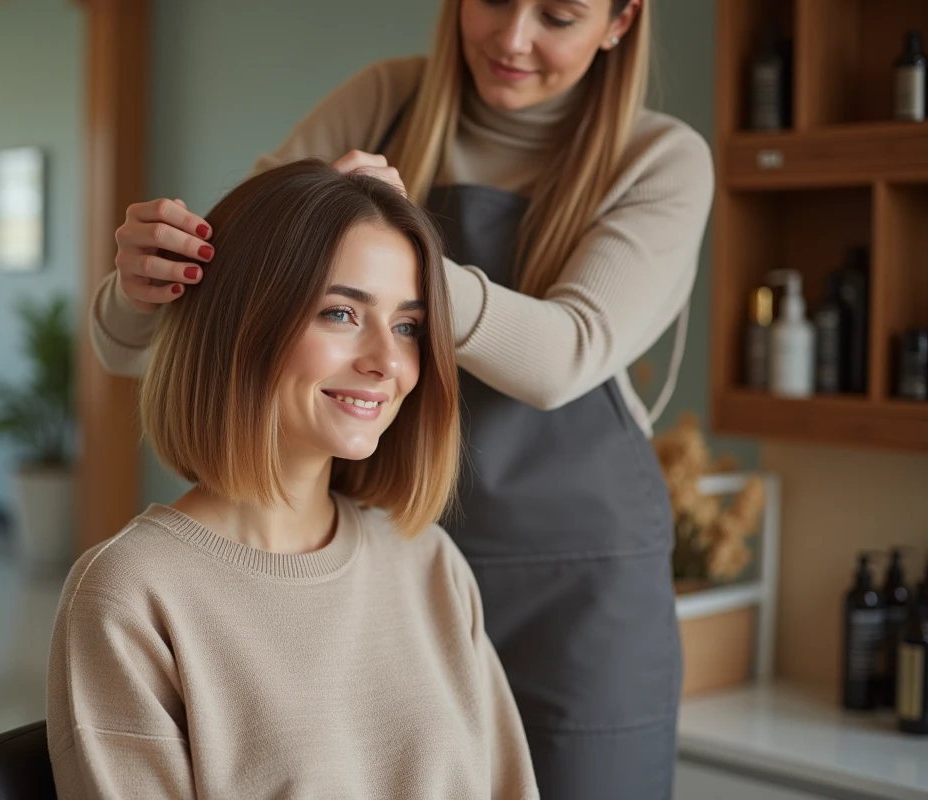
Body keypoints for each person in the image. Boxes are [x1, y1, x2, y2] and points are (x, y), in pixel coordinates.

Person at [92, 1, 714, 796]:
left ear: (622, 20)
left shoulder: (661, 157)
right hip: (384, 549)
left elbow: (567, 355)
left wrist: (395, 252)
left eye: (558, 14)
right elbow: (229, 296)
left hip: (577, 585)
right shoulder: (387, 99)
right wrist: (142, 286)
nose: (512, 38)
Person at [48, 159, 539, 799]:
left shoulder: (429, 565)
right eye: (340, 313)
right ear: (238, 326)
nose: (388, 362)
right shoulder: (131, 596)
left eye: (408, 326)